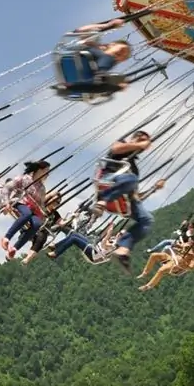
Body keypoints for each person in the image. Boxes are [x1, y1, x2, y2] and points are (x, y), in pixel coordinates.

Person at [90, 130, 156, 270]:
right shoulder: (122, 148)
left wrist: (154, 188)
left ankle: (123, 248)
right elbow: (115, 147)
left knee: (147, 219)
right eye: (142, 139)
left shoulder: (134, 168)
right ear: (135, 138)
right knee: (131, 179)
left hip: (125, 194)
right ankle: (103, 201)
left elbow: (136, 196)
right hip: (109, 180)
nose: (144, 144)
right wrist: (140, 144)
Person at [55, 19, 132, 97]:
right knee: (107, 61)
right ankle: (100, 75)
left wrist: (118, 87)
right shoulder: (95, 45)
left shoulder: (109, 64)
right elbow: (81, 30)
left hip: (86, 79)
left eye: (124, 57)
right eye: (122, 50)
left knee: (103, 86)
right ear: (112, 44)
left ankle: (68, 88)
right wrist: (108, 25)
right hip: (81, 57)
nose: (121, 54)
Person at [0, 161, 52, 261]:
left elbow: (41, 204)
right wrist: (6, 203)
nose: (48, 175)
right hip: (20, 202)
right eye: (46, 171)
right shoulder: (24, 178)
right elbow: (7, 188)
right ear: (40, 170)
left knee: (37, 224)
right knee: (26, 213)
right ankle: (6, 238)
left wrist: (44, 213)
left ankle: (14, 248)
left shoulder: (42, 189)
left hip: (34, 210)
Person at [21, 195, 67, 265]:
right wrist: (54, 194)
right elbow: (44, 197)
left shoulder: (55, 214)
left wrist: (72, 217)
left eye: (58, 202)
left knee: (41, 238)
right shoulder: (42, 206)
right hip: (31, 226)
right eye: (55, 201)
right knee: (40, 237)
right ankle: (27, 257)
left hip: (41, 232)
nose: (55, 204)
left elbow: (61, 223)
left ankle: (28, 258)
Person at [47, 221, 121, 265]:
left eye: (121, 235)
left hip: (93, 253)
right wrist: (109, 227)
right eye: (120, 233)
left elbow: (104, 244)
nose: (119, 234)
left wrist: (108, 234)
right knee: (74, 234)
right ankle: (55, 246)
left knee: (74, 239)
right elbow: (102, 235)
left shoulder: (114, 246)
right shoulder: (114, 239)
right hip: (93, 247)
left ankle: (56, 253)